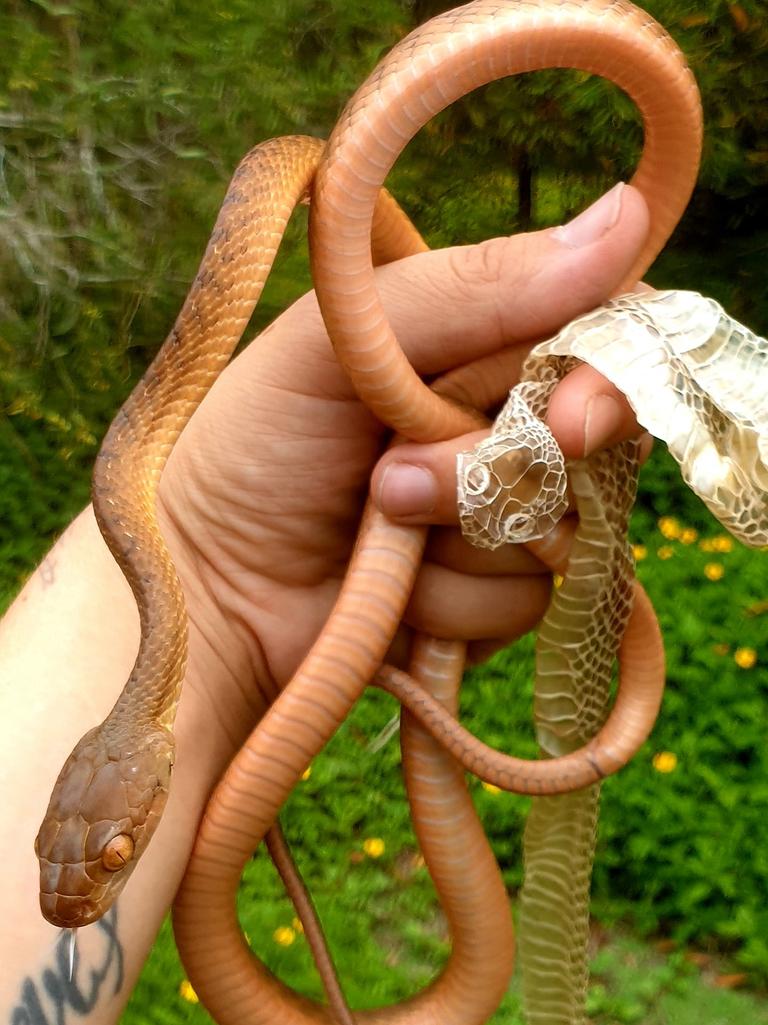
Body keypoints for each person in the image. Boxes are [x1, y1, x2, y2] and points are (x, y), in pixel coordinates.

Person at [0, 182, 650, 1023]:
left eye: (108, 847)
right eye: (109, 851)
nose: (81, 898)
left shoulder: (146, 512)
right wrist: (217, 589)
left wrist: (212, 562)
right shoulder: (148, 572)